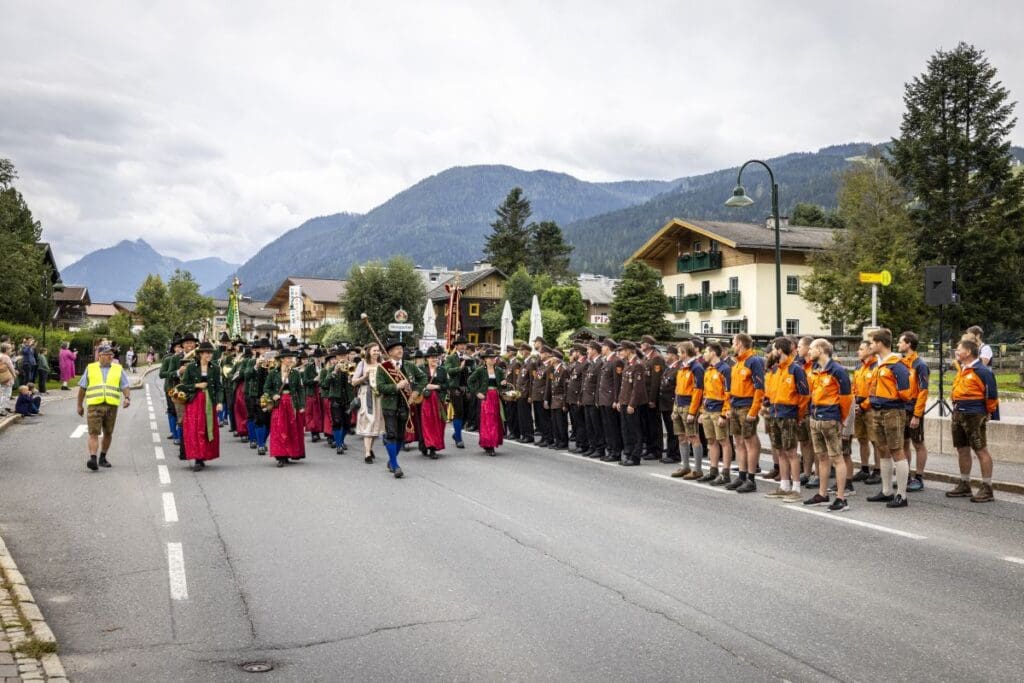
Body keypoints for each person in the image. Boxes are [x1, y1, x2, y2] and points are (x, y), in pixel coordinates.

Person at [864, 329, 914, 509]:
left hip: (892, 411)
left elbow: (906, 392)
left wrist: (891, 399)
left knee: (896, 450)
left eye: (871, 343)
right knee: (883, 449)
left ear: (879, 343)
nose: (870, 346)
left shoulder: (896, 365)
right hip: (878, 410)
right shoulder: (880, 364)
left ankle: (901, 494)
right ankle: (886, 491)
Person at [946, 338, 999, 502]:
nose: (956, 352)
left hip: (974, 414)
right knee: (962, 449)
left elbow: (991, 396)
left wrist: (987, 412)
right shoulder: (963, 369)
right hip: (959, 412)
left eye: (959, 349)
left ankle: (987, 487)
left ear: (968, 352)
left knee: (980, 449)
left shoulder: (982, 371)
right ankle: (965, 483)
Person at [805, 339, 853, 511]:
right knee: (822, 457)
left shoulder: (837, 371)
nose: (808, 352)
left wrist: (842, 419)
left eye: (811, 349)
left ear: (820, 349)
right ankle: (822, 494)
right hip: (816, 417)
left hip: (830, 417)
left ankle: (841, 498)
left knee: (836, 458)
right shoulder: (815, 370)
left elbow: (846, 397)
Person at [765, 337, 810, 503]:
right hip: (775, 413)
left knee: (791, 452)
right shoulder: (777, 370)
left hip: (789, 414)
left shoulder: (795, 369)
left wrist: (798, 414)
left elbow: (804, 395)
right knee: (781, 451)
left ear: (780, 350)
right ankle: (784, 486)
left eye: (774, 348)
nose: (772, 352)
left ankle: (796, 487)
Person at [77, 344, 131, 471]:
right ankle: (93, 458)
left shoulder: (118, 369)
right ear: (100, 355)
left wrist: (127, 398)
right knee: (93, 432)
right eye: (107, 354)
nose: (110, 357)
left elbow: (124, 385)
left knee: (108, 432)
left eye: (111, 354)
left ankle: (103, 457)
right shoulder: (90, 368)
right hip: (94, 405)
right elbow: (82, 388)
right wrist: (79, 405)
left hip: (111, 405)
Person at [376, 339, 426, 477]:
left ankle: (391, 460)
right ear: (390, 352)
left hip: (406, 404)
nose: (400, 350)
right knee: (391, 435)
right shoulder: (383, 367)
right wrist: (396, 386)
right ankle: (395, 464)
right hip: (389, 405)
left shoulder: (409, 366)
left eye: (401, 348)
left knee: (400, 436)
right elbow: (380, 387)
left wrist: (416, 392)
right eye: (397, 348)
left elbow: (423, 378)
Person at [724, 333, 765, 493]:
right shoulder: (737, 363)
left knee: (750, 442)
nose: (732, 345)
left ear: (740, 343)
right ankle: (741, 475)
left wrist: (754, 410)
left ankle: (751, 478)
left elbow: (759, 388)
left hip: (747, 405)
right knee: (739, 442)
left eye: (734, 342)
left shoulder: (753, 361)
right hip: (735, 404)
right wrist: (728, 407)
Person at [180, 341, 222, 471]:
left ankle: (203, 455)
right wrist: (196, 386)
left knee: (207, 428)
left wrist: (220, 402)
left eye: (210, 353)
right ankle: (197, 458)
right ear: (200, 354)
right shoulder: (192, 367)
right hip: (194, 402)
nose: (209, 355)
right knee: (195, 429)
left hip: (209, 401)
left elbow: (219, 387)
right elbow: (183, 386)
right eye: (206, 353)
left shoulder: (215, 368)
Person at [898, 331, 929, 491]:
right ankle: (906, 475)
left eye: (901, 342)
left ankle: (919, 477)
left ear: (908, 344)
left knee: (918, 443)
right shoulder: (901, 363)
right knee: (904, 443)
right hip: (902, 408)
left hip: (914, 408)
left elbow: (923, 391)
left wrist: (917, 414)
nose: (898, 345)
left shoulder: (920, 365)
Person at [263, 349, 306, 467]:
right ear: (282, 359)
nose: (290, 360)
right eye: (288, 358)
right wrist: (273, 395)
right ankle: (280, 456)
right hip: (279, 404)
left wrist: (302, 405)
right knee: (279, 429)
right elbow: (266, 388)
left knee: (291, 429)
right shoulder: (273, 372)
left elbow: (300, 390)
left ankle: (290, 453)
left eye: (291, 358)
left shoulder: (296, 373)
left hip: (292, 403)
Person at [698, 342, 732, 485]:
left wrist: (724, 414)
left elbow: (729, 393)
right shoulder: (708, 369)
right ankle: (713, 470)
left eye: (706, 351)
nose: (704, 354)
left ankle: (725, 473)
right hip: (708, 409)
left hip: (719, 410)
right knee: (711, 441)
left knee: (724, 441)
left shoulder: (724, 369)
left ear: (713, 353)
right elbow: (705, 392)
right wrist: (701, 411)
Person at [670, 341, 705, 479]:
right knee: (681, 436)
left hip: (688, 406)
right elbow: (678, 388)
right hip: (679, 405)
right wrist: (675, 407)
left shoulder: (696, 367)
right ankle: (685, 466)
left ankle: (697, 469)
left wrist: (692, 411)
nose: (678, 354)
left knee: (693, 436)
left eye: (679, 352)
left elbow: (698, 391)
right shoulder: (682, 366)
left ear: (685, 352)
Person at [851, 340, 880, 484]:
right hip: (858, 406)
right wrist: (855, 403)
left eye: (861, 348)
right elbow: (854, 386)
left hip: (870, 408)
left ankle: (878, 470)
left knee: (875, 441)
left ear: (870, 350)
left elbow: (874, 391)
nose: (858, 351)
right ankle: (864, 468)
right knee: (862, 439)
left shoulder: (876, 366)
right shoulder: (859, 366)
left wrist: (864, 405)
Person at [467, 348, 505, 455]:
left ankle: (492, 442)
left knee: (495, 420)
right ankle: (489, 445)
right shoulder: (480, 370)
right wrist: (477, 392)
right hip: (486, 397)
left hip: (496, 397)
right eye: (490, 358)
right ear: (485, 359)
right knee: (488, 420)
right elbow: (470, 381)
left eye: (494, 358)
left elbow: (503, 386)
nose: (493, 360)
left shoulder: (499, 370)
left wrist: (504, 383)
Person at [616, 340, 648, 466]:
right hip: (624, 401)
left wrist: (632, 404)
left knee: (635, 430)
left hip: (632, 403)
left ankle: (635, 456)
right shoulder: (627, 364)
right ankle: (628, 453)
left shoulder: (637, 364)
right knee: (626, 429)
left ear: (629, 350)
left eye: (622, 350)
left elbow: (637, 387)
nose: (620, 352)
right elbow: (624, 386)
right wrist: (620, 400)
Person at [352, 342, 385, 463]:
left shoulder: (382, 365)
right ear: (369, 352)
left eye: (378, 350)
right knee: (369, 421)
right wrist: (364, 377)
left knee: (376, 423)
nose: (376, 352)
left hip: (379, 396)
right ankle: (366, 453)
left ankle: (369, 449)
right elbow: (354, 382)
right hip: (366, 394)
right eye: (374, 350)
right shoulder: (362, 364)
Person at [419, 345, 448, 458]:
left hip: (438, 400)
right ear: (427, 358)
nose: (434, 359)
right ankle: (425, 445)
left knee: (438, 424)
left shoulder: (442, 370)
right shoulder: (421, 369)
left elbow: (447, 385)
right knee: (426, 424)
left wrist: (436, 386)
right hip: (425, 400)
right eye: (431, 357)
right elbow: (415, 383)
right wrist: (425, 386)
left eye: (436, 357)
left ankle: (433, 447)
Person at [638, 335, 665, 460]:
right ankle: (649, 448)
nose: (641, 345)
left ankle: (656, 450)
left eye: (643, 343)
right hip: (644, 396)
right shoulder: (645, 358)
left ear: (648, 344)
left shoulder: (656, 358)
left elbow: (655, 381)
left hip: (651, 397)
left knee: (654, 425)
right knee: (646, 425)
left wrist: (652, 399)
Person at [597, 339, 623, 462]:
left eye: (603, 347)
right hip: (603, 399)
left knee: (613, 427)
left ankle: (616, 452)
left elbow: (617, 383)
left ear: (607, 348)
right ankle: (610, 450)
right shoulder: (606, 361)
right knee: (607, 427)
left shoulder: (616, 361)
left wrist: (616, 399)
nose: (601, 349)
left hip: (610, 399)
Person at [581, 341, 605, 458]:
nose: (587, 351)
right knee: (589, 426)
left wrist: (596, 400)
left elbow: (598, 384)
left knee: (596, 426)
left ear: (595, 350)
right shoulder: (592, 363)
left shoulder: (600, 363)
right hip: (587, 399)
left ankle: (600, 448)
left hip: (594, 399)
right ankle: (593, 446)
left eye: (589, 349)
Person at [0, 343, 16, 415]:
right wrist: (14, 375)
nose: (11, 350)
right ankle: (1, 409)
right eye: (10, 349)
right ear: (6, 349)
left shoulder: (0, 355)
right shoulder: (6, 357)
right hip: (7, 378)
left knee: (3, 393)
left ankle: (4, 407)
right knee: (7, 394)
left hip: (2, 377)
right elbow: (10, 367)